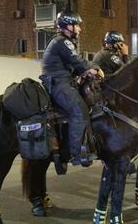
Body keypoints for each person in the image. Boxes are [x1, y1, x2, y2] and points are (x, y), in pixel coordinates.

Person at [42, 11, 104, 166]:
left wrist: (88, 72)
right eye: (76, 25)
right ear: (66, 26)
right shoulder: (62, 42)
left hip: (64, 82)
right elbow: (79, 63)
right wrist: (95, 68)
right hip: (59, 84)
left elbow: (76, 67)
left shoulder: (63, 41)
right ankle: (77, 154)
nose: (79, 29)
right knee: (79, 110)